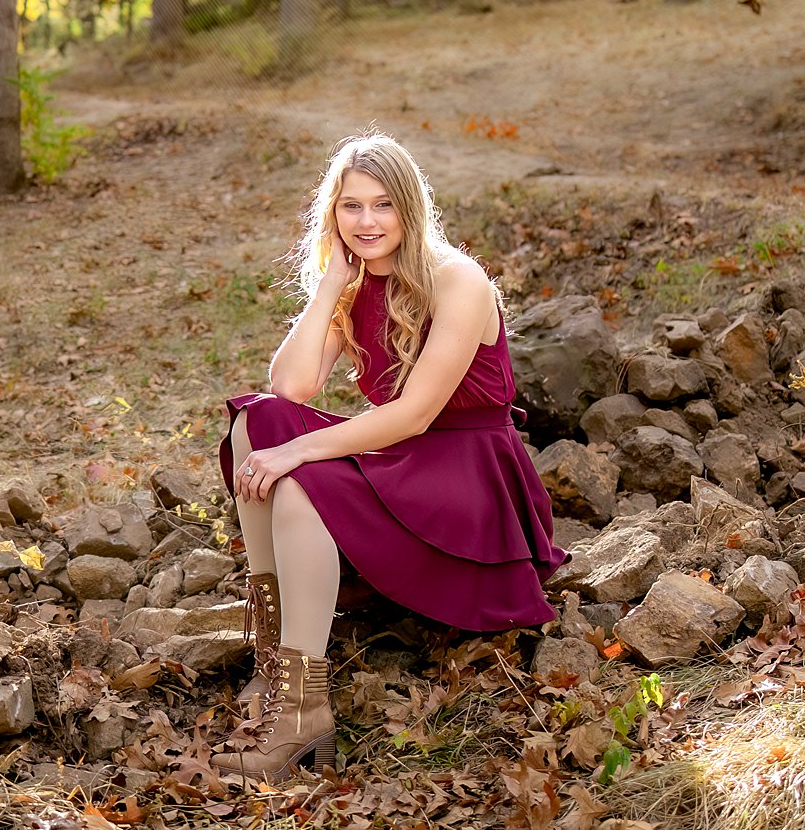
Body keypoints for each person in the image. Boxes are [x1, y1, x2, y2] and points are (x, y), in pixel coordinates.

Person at [213, 133, 568, 782]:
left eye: (382, 205)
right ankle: (278, 667)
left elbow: (416, 414)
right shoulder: (352, 286)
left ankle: (300, 710)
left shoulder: (458, 279)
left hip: (466, 473)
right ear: (334, 215)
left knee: (297, 479)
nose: (368, 222)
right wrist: (328, 291)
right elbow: (289, 387)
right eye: (351, 207)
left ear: (409, 208)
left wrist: (299, 451)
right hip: (401, 459)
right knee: (255, 421)